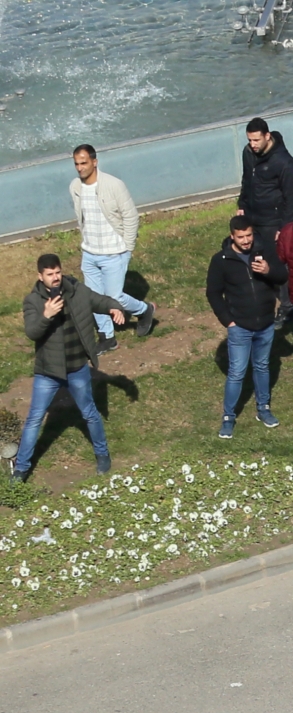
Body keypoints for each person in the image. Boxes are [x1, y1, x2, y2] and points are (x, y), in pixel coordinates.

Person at [18, 251, 116, 479]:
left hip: (77, 367)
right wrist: (46, 315)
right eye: (50, 274)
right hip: (48, 372)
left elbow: (99, 301)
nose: (55, 277)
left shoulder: (76, 291)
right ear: (40, 276)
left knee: (90, 413)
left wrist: (114, 307)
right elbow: (32, 332)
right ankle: (21, 468)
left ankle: (102, 454)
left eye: (58, 272)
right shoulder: (33, 301)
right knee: (34, 419)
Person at [66, 144, 154, 347]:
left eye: (84, 163)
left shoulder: (114, 185)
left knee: (114, 297)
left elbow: (130, 216)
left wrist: (128, 247)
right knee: (94, 298)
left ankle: (144, 310)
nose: (80, 168)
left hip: (115, 252)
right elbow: (82, 218)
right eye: (76, 164)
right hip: (90, 252)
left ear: (95, 162)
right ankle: (107, 337)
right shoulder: (75, 187)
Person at [206, 212, 285, 436]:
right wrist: (228, 321)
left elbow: (282, 276)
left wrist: (269, 271)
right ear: (232, 237)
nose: (246, 241)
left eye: (249, 235)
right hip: (239, 326)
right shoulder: (221, 260)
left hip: (266, 323)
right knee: (237, 372)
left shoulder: (265, 251)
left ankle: (263, 409)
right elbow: (213, 293)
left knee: (261, 367)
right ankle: (229, 417)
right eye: (241, 237)